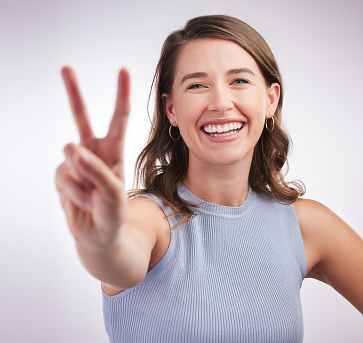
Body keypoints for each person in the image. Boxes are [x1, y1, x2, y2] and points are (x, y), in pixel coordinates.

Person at [55, 15, 363, 342]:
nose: (220, 103)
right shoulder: (150, 221)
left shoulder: (304, 225)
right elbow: (116, 257)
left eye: (240, 81)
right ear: (171, 110)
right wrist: (100, 240)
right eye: (197, 85)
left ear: (270, 100)